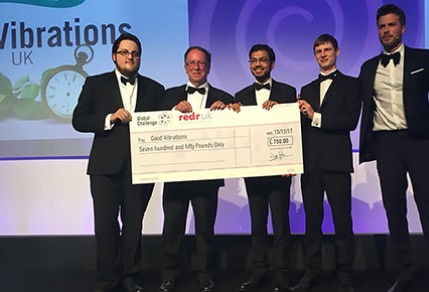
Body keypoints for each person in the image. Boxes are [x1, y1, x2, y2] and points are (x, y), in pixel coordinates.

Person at [357, 4, 429, 292]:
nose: (386, 30)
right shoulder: (368, 68)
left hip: (419, 144)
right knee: (394, 211)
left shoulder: (424, 58)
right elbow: (350, 103)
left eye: (391, 25)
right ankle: (404, 273)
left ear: (403, 27)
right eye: (381, 26)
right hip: (386, 145)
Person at [72, 32, 165, 292]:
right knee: (105, 225)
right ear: (114, 56)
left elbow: (165, 123)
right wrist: (108, 117)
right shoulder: (95, 84)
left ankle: (130, 277)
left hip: (141, 168)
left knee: (134, 226)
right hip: (104, 168)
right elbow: (79, 120)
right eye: (124, 52)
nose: (130, 57)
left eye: (135, 53)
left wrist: (176, 113)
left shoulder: (155, 88)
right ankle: (107, 279)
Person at [158, 46, 234, 292]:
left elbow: (234, 135)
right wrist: (171, 114)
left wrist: (228, 114)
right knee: (172, 227)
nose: (197, 67)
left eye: (201, 63)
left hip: (208, 176)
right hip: (175, 173)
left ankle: (204, 274)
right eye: (192, 63)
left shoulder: (224, 97)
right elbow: (155, 130)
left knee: (204, 227)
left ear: (209, 67)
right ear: (185, 67)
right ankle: (169, 274)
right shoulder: (168, 97)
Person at [290, 34, 361, 292]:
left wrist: (315, 115)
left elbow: (349, 122)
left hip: (337, 164)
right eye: (318, 50)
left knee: (343, 221)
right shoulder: (306, 89)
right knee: (311, 223)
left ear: (337, 52)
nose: (323, 54)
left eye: (327, 49)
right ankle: (311, 274)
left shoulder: (352, 86)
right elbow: (298, 129)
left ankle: (345, 275)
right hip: (310, 165)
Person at [232, 44, 296, 292]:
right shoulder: (240, 95)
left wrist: (292, 163)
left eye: (263, 60)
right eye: (254, 61)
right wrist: (231, 112)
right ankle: (259, 271)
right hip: (254, 171)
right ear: (249, 64)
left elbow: (294, 131)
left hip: (280, 170)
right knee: (257, 222)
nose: (258, 64)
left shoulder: (287, 92)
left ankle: (282, 273)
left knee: (281, 224)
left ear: (272, 63)